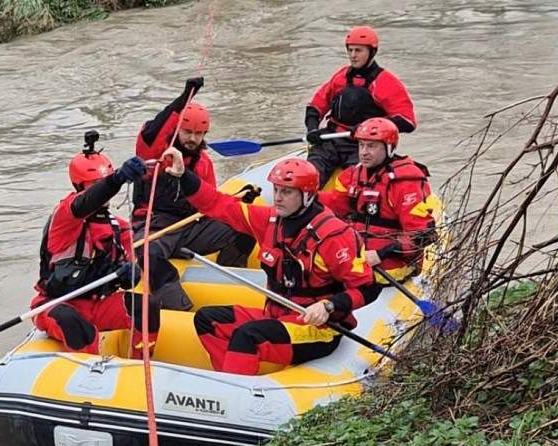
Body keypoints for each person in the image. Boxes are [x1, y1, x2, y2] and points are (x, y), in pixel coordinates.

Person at [163, 149, 381, 375]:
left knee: (247, 335)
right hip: (277, 317)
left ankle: (238, 391)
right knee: (208, 319)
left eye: (286, 192)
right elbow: (217, 205)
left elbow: (368, 288)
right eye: (276, 190)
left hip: (317, 328)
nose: (277, 197)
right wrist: (183, 175)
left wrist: (329, 306)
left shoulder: (334, 236)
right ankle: (227, 380)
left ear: (307, 195)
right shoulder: (269, 221)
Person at [132, 77, 259, 311]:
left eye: (199, 134)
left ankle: (228, 279)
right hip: (155, 227)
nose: (193, 139)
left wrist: (238, 200)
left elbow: (211, 202)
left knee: (244, 226)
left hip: (191, 226)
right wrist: (185, 97)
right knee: (148, 254)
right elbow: (153, 131)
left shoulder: (204, 162)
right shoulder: (157, 153)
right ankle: (180, 307)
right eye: (188, 132)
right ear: (177, 129)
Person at [32, 130, 161, 357]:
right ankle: (87, 380)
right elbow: (86, 203)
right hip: (57, 303)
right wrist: (117, 179)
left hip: (97, 305)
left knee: (146, 306)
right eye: (95, 185)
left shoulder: (119, 226)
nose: (103, 193)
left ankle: (140, 364)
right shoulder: (65, 216)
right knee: (74, 324)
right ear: (81, 185)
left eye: (101, 184)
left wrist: (131, 273)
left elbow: (133, 277)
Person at [318, 118, 436, 281]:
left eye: (371, 146)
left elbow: (424, 234)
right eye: (361, 145)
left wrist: (379, 255)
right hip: (354, 259)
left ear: (389, 148)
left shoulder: (406, 182)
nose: (364, 152)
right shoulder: (353, 174)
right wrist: (303, 196)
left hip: (390, 265)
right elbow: (336, 204)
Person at [305, 26, 418, 187]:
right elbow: (315, 106)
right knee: (309, 176)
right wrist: (312, 129)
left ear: (371, 52)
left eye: (358, 50)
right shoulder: (341, 76)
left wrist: (366, 129)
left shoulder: (385, 82)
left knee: (356, 184)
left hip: (363, 146)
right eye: (350, 50)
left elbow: (407, 121)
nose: (353, 55)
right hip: (331, 140)